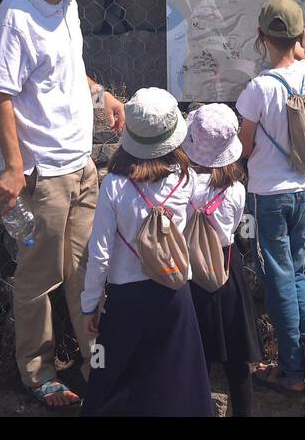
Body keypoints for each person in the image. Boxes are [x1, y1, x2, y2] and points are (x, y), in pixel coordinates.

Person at [0, 0, 126, 412]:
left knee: (87, 272)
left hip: (83, 164)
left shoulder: (65, 3)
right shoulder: (16, 17)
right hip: (44, 174)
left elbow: (68, 69)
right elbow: (1, 95)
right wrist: (13, 166)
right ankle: (38, 373)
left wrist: (101, 93)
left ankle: (96, 365)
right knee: (37, 278)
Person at [80, 88, 214, 417]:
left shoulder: (113, 184)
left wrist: (90, 305)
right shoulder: (186, 179)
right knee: (177, 383)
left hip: (126, 297)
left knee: (115, 383)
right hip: (174, 291)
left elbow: (99, 253)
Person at [235, 0, 305, 394]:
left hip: (267, 195)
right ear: (301, 36)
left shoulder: (257, 89)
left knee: (278, 280)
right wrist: (299, 45)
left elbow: (244, 148)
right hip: (303, 190)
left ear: (261, 37)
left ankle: (293, 371)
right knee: (294, 275)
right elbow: (304, 56)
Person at [182, 103, 263, 417]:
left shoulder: (180, 186)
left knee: (194, 356)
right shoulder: (237, 190)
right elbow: (234, 225)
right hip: (227, 272)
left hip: (189, 275)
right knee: (236, 360)